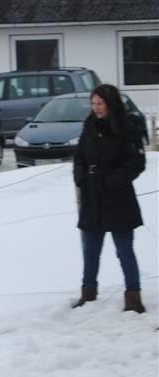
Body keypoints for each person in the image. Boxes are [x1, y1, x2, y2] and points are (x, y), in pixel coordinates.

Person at [72, 84, 146, 313]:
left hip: (118, 199)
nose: (96, 108)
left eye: (100, 104)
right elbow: (79, 157)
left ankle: (133, 297)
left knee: (124, 250)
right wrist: (81, 177)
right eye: (93, 104)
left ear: (111, 104)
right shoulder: (89, 127)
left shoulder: (128, 128)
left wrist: (112, 181)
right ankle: (88, 293)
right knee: (90, 250)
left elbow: (136, 162)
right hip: (92, 199)